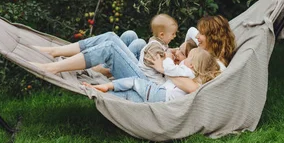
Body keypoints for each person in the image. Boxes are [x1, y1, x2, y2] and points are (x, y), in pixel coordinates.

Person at [31, 14, 178, 82]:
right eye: (173, 34)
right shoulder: (173, 47)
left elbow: (168, 70)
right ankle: (55, 51)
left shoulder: (196, 63)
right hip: (148, 71)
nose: (176, 37)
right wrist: (174, 53)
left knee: (110, 46)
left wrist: (170, 61)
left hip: (147, 82)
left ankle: (53, 68)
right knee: (126, 36)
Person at [83, 48, 220, 103]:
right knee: (129, 95)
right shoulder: (191, 75)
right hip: (159, 97)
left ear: (192, 65)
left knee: (134, 81)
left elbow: (168, 69)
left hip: (159, 94)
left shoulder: (187, 71)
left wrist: (167, 58)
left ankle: (106, 86)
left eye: (188, 57)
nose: (183, 58)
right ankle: (100, 93)